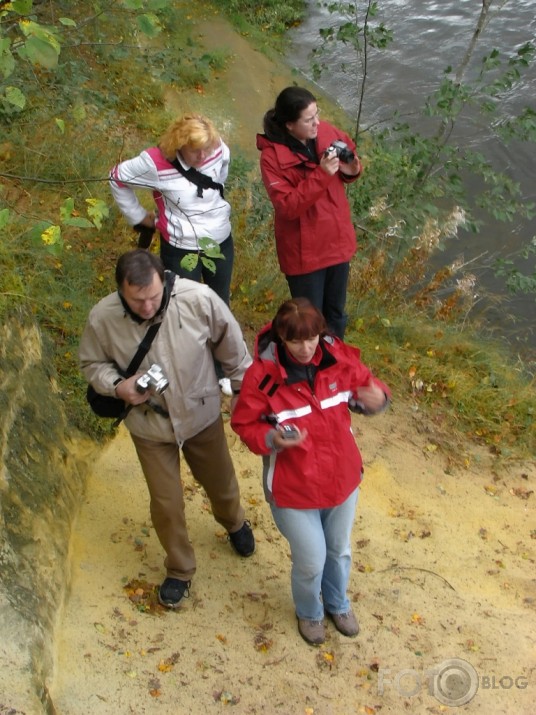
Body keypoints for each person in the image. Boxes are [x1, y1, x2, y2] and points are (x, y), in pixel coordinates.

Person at [79, 249, 255, 609]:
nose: (147, 307)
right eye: (137, 300)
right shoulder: (103, 317)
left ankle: (234, 523)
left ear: (164, 280)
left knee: (220, 483)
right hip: (149, 425)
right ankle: (179, 569)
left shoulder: (198, 299)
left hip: (201, 413)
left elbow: (233, 347)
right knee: (166, 502)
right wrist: (118, 386)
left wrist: (240, 390)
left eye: (154, 297)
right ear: (120, 292)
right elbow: (92, 363)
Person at [231, 298, 389, 646]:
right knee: (311, 560)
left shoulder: (339, 358)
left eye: (312, 339)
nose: (305, 349)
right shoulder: (262, 377)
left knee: (339, 551)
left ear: (321, 333)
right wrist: (272, 438)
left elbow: (368, 388)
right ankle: (309, 612)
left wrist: (376, 399)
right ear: (281, 339)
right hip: (293, 490)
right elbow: (243, 424)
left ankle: (338, 603)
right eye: (295, 341)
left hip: (342, 480)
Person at [109, 113, 234, 394]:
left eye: (207, 148)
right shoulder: (154, 162)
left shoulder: (218, 148)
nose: (203, 155)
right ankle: (190, 369)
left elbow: (221, 173)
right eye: (195, 150)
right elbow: (117, 178)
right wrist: (139, 217)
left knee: (219, 303)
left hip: (219, 241)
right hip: (181, 247)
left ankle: (220, 368)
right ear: (178, 145)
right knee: (184, 310)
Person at [257, 86, 363, 340]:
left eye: (317, 114)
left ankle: (335, 367)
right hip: (304, 252)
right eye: (309, 119)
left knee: (336, 314)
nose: (318, 122)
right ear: (290, 125)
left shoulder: (327, 132)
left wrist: (353, 168)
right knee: (308, 318)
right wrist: (322, 173)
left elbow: (351, 160)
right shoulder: (272, 157)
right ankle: (308, 368)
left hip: (336, 241)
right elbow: (288, 206)